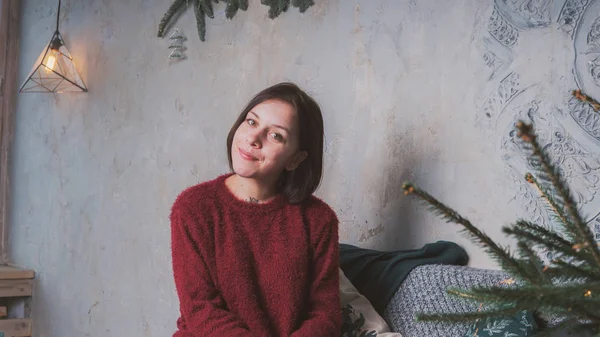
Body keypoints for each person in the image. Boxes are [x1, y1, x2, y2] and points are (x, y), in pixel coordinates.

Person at [170, 82, 342, 337]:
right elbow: (201, 310)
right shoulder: (193, 208)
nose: (253, 138)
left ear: (296, 159)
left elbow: (325, 315)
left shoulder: (319, 220)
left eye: (276, 135)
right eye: (251, 122)